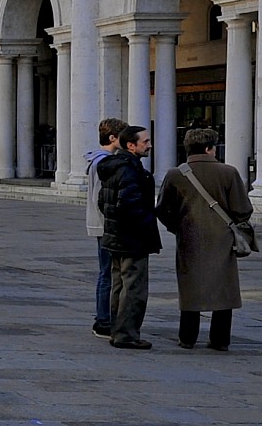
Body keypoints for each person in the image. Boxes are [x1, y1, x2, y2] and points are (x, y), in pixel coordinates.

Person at [154, 127, 252, 351]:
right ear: (210, 148)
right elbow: (242, 209)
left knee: (190, 286)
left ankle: (187, 337)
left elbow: (162, 209)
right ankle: (219, 340)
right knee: (223, 289)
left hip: (189, 236)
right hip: (222, 238)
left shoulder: (175, 174)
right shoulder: (228, 172)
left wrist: (177, 227)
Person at [96, 124, 161, 349]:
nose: (150, 145)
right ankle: (126, 334)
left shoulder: (114, 167)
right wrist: (146, 225)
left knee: (119, 285)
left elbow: (103, 203)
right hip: (132, 239)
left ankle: (118, 330)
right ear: (131, 145)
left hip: (116, 236)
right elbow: (130, 206)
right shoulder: (130, 170)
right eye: (145, 141)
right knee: (133, 288)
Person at [84, 119, 124, 339]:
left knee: (107, 272)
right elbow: (102, 198)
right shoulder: (103, 163)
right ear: (112, 138)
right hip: (104, 226)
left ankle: (104, 317)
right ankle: (103, 319)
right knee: (107, 273)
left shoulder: (98, 161)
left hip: (101, 225)